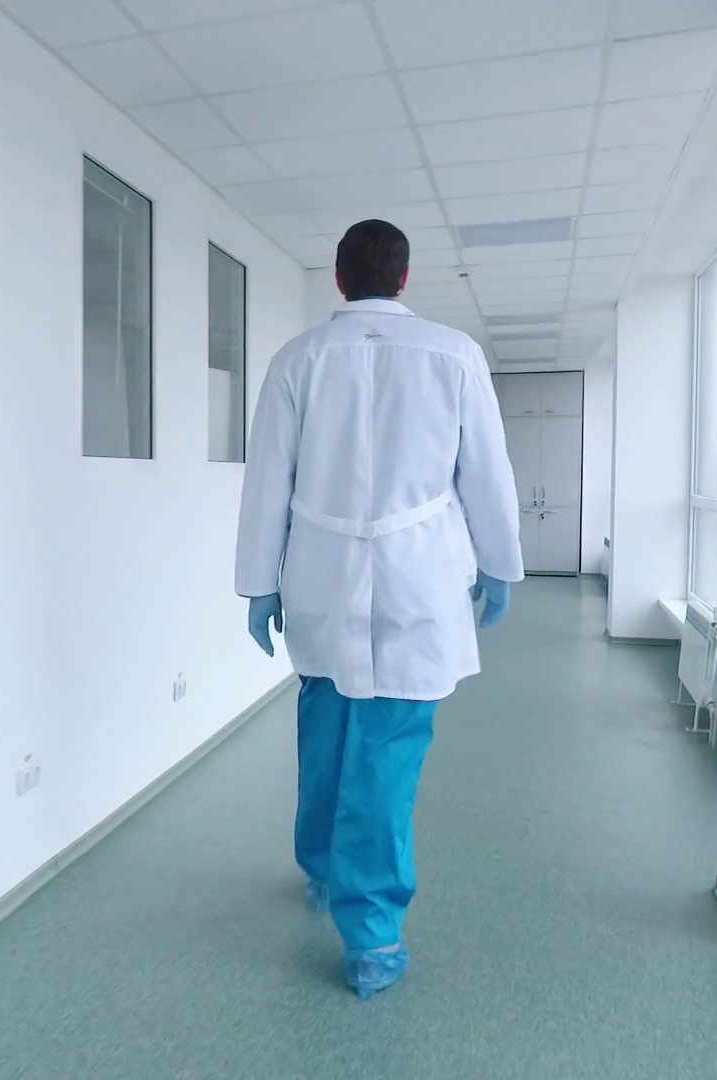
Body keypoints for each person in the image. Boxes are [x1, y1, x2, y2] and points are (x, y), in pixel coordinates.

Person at [233, 219, 523, 1000]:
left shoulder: (297, 361)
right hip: (418, 583)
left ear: (337, 279)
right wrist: (500, 568)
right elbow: (487, 476)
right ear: (402, 280)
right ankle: (373, 936)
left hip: (320, 579)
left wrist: (260, 583)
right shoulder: (454, 355)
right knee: (386, 755)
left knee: (325, 732)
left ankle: (325, 872)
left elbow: (267, 481)